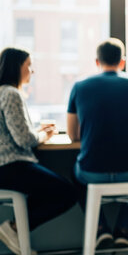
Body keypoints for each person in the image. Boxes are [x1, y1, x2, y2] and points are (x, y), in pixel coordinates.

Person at [67, 38, 128, 249]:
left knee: (75, 170)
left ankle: (101, 228)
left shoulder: (79, 87)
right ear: (122, 62)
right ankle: (124, 228)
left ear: (97, 62)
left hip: (91, 173)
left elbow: (72, 135)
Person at [0, 47, 77, 254]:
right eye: (29, 66)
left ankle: (16, 229)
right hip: (11, 165)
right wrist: (44, 135)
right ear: (17, 67)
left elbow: (12, 133)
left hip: (5, 166)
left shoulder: (3, 93)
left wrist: (37, 131)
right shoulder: (11, 93)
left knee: (50, 191)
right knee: (67, 193)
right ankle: (13, 228)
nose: (32, 71)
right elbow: (24, 139)